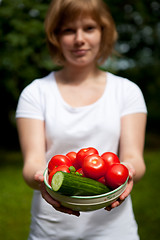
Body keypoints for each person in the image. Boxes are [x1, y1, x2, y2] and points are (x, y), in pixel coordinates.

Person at [16, 0, 147, 239]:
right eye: (68, 30)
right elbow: (32, 162)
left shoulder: (127, 91)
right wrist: (44, 179)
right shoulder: (35, 93)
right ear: (55, 36)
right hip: (50, 230)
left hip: (115, 231)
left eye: (89, 28)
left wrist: (129, 170)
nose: (79, 39)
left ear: (103, 32)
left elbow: (133, 157)